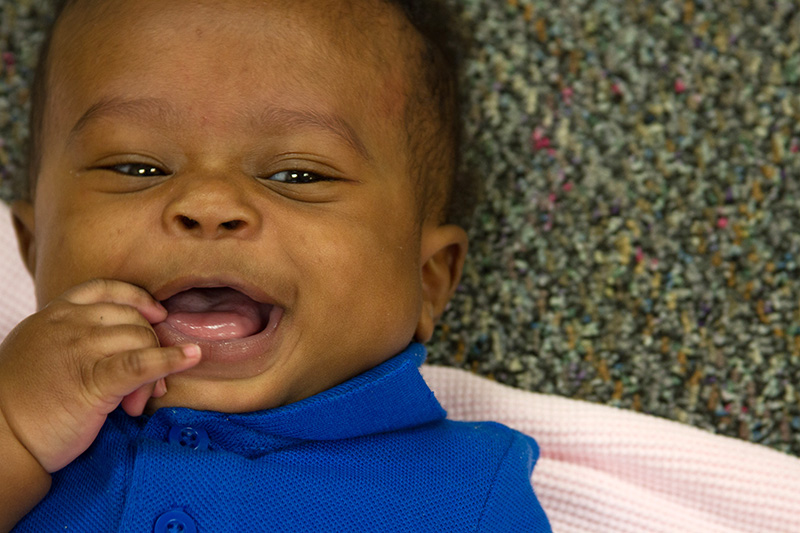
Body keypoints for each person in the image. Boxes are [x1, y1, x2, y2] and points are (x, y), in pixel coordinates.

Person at [0, 0, 551, 530]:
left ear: (427, 278)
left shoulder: (465, 490)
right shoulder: (19, 424)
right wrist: (14, 430)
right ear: (31, 246)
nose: (209, 205)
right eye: (135, 167)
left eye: (299, 176)